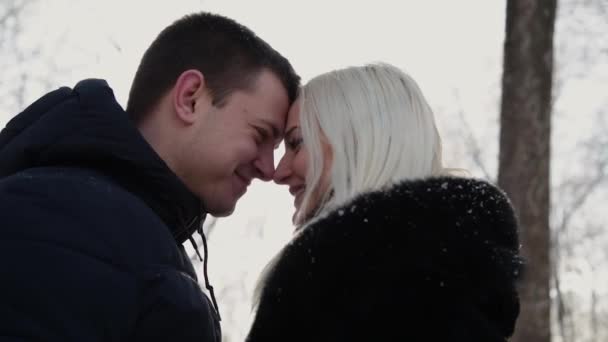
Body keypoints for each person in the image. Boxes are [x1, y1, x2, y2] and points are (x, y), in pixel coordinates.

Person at [0, 12, 299, 341]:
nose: (269, 169)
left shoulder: (135, 240)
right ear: (191, 99)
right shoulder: (53, 219)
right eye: (260, 135)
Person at [246, 63, 523, 341]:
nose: (278, 172)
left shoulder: (329, 281)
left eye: (296, 143)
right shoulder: (454, 284)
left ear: (356, 143)